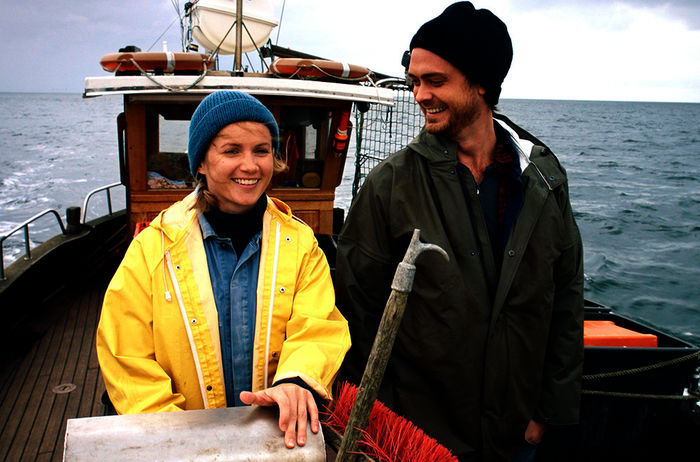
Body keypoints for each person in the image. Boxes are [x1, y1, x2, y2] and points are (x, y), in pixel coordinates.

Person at [335, 2, 584, 461]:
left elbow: (565, 299)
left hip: (515, 434)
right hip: (418, 437)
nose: (419, 95)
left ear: (482, 83)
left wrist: (548, 412)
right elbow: (353, 314)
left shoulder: (544, 180)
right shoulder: (391, 185)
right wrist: (377, 426)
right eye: (414, 81)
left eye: (435, 81)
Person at [96, 90, 351, 449]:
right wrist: (176, 437)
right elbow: (126, 355)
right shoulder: (153, 249)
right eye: (232, 150)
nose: (250, 165)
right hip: (182, 447)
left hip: (278, 442)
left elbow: (319, 326)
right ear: (201, 162)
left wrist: (298, 380)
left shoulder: (302, 245)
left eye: (261, 150)